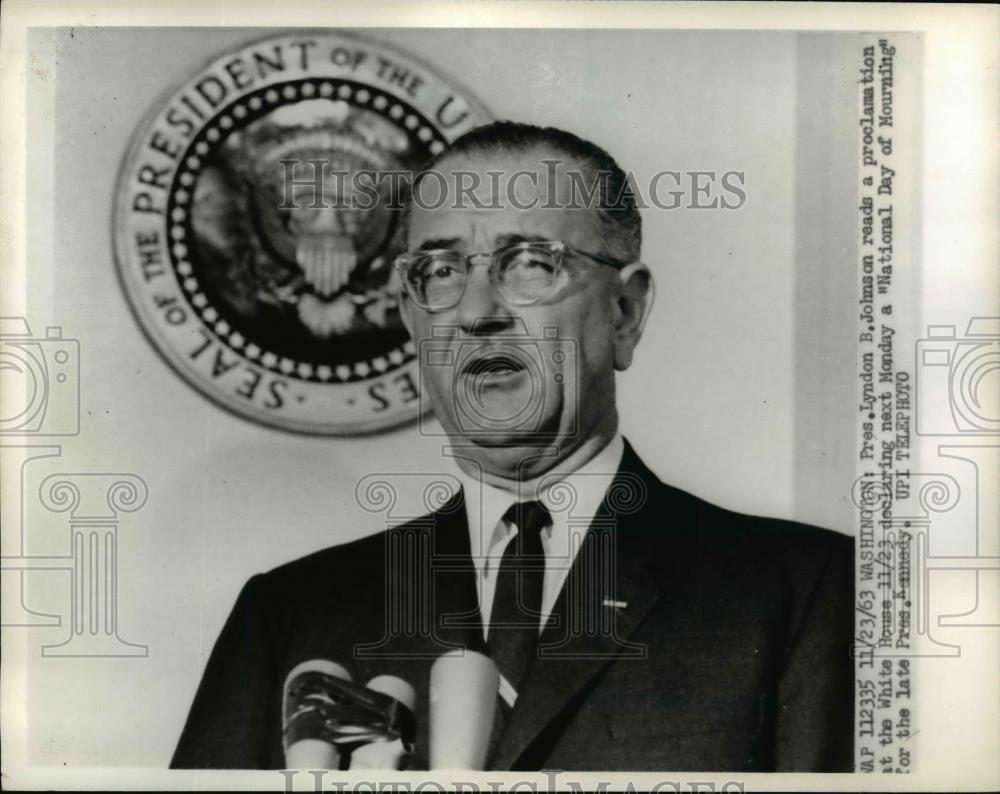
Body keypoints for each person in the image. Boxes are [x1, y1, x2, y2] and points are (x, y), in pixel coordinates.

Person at [171, 121, 854, 772]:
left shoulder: (805, 595)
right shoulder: (289, 615)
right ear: (411, 317)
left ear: (625, 312)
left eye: (529, 264)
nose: (476, 312)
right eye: (439, 272)